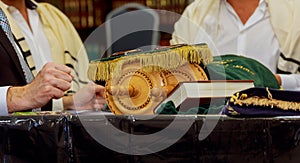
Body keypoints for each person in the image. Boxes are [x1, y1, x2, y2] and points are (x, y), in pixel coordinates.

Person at [0, 0, 105, 115]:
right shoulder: (3, 20)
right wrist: (25, 94)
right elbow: (28, 97)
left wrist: (70, 101)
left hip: (59, 124)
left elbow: (36, 98)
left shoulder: (54, 16)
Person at [170, 0, 300, 90]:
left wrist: (276, 81)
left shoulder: (295, 14)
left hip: (281, 125)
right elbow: (173, 80)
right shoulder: (195, 16)